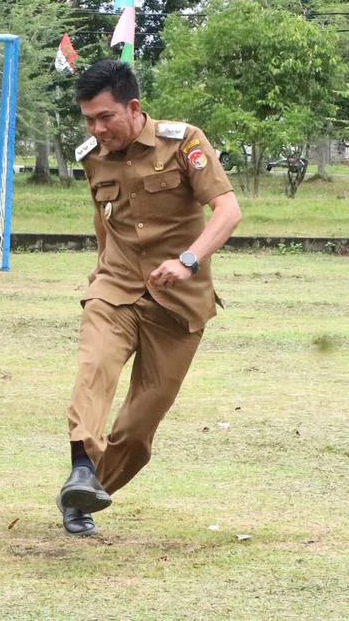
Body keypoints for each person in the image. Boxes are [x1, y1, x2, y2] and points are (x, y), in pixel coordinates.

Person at [56, 60, 242, 536]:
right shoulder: (92, 156)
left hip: (178, 303)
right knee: (94, 369)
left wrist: (189, 260)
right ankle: (81, 464)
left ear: (133, 108)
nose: (97, 129)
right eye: (89, 120)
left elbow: (228, 211)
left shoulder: (184, 143)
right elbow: (104, 222)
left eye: (105, 118)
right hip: (115, 289)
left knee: (139, 426)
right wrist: (101, 272)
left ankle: (88, 493)